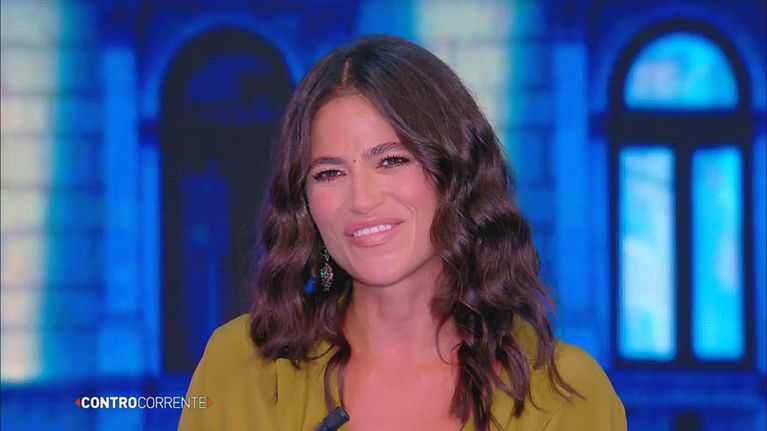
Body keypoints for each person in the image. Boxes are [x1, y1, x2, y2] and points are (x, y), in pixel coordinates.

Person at [178, 35, 626, 431]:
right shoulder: (241, 368)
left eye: (392, 161)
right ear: (305, 203)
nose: (361, 200)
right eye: (329, 173)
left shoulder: (567, 397)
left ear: (456, 174)